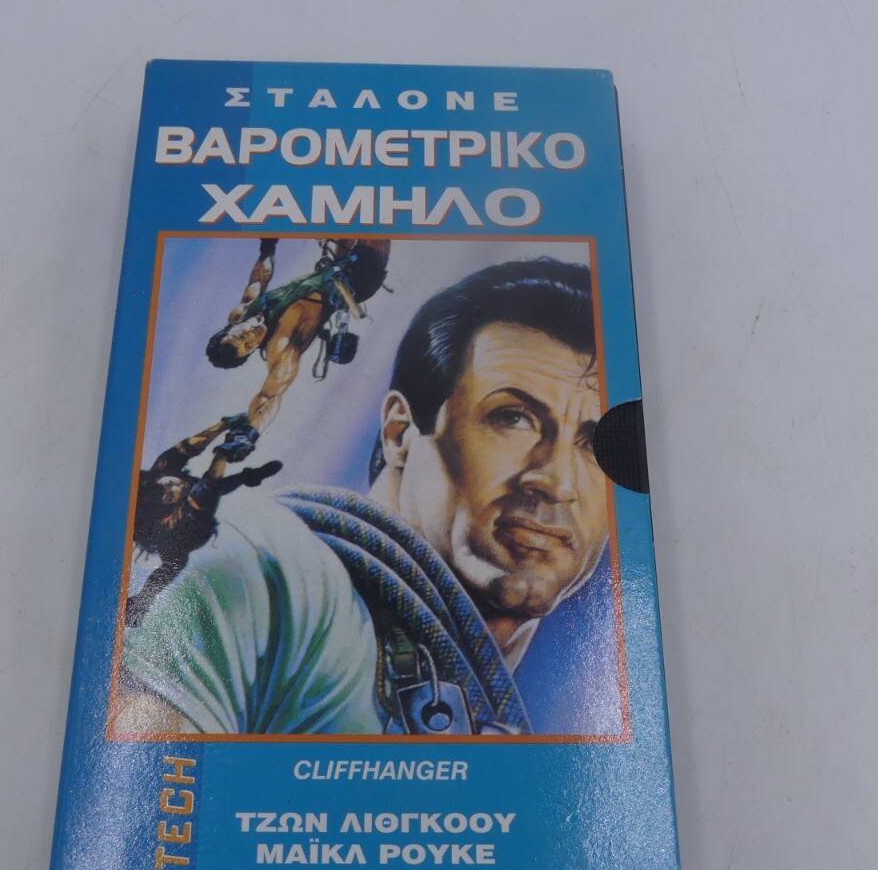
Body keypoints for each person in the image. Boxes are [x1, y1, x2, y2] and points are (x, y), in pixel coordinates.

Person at [114, 257, 607, 737]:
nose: (558, 481)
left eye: (593, 443)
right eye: (513, 418)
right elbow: (159, 781)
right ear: (399, 432)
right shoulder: (265, 573)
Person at [204, 237, 392, 436]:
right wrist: (250, 433)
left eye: (241, 335)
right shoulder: (281, 347)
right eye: (249, 345)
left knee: (344, 224)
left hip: (334, 268)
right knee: (372, 226)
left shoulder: (243, 312)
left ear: (231, 327)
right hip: (356, 280)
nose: (252, 336)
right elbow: (270, 396)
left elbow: (258, 281)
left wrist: (268, 248)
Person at [126, 412, 280, 621]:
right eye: (172, 492)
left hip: (154, 502)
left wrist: (224, 425)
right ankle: (244, 474)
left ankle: (248, 476)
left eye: (173, 485)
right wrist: (224, 453)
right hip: (186, 532)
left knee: (183, 461)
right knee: (206, 492)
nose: (175, 486)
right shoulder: (170, 523)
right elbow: (209, 487)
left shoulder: (162, 470)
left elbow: (189, 446)